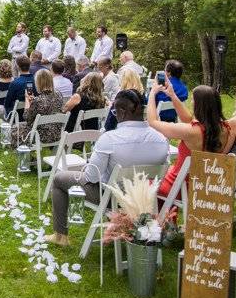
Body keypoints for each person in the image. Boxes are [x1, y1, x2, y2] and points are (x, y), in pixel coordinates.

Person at [45, 89, 168, 246]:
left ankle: (60, 236)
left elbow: (91, 177)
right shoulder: (161, 139)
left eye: (115, 112)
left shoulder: (109, 139)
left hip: (112, 199)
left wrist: (84, 168)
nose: (115, 115)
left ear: (122, 112)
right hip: (146, 200)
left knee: (59, 179)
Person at [149, 79, 236, 197]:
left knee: (146, 180)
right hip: (204, 186)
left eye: (193, 100)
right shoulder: (226, 128)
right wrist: (172, 95)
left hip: (180, 187)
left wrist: (152, 94)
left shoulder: (191, 132)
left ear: (199, 106)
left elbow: (153, 122)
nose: (191, 102)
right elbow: (188, 119)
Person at [13, 68, 65, 149]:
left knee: (15, 128)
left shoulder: (38, 100)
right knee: (20, 126)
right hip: (57, 133)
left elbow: (27, 117)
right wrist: (33, 100)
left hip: (41, 135)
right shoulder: (59, 94)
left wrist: (27, 101)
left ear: (38, 82)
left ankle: (25, 156)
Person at [3, 55, 36, 127]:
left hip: (15, 116)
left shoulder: (15, 83)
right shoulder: (36, 81)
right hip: (33, 115)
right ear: (29, 65)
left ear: (17, 66)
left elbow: (7, 104)